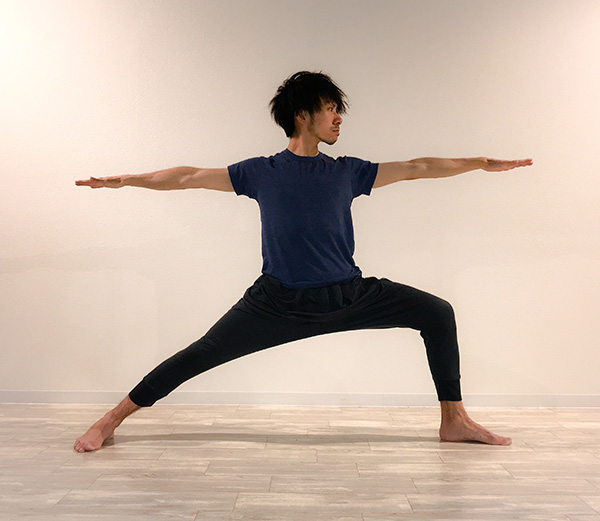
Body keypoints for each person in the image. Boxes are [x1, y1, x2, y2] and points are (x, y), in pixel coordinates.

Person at [74, 71, 532, 453]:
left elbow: (417, 167)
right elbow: (187, 177)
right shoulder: (260, 172)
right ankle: (111, 420)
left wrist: (479, 162)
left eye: (338, 110)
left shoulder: (347, 171)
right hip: (278, 303)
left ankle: (454, 420)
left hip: (349, 296)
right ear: (302, 115)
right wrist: (127, 180)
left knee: (437, 313)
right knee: (200, 354)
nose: (338, 118)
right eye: (330, 108)